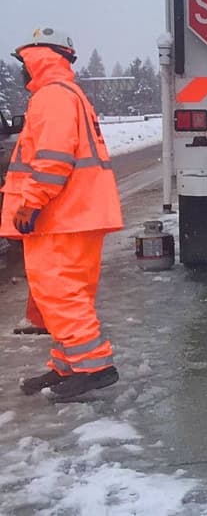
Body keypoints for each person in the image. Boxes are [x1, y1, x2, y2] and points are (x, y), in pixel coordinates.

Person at [1, 27, 123, 400]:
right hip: (76, 214)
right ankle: (69, 364)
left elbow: (53, 157)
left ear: (40, 58)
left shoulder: (51, 97)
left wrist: (31, 202)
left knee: (59, 293)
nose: (21, 71)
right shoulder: (66, 95)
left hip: (61, 216)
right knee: (67, 294)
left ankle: (95, 367)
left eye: (24, 61)